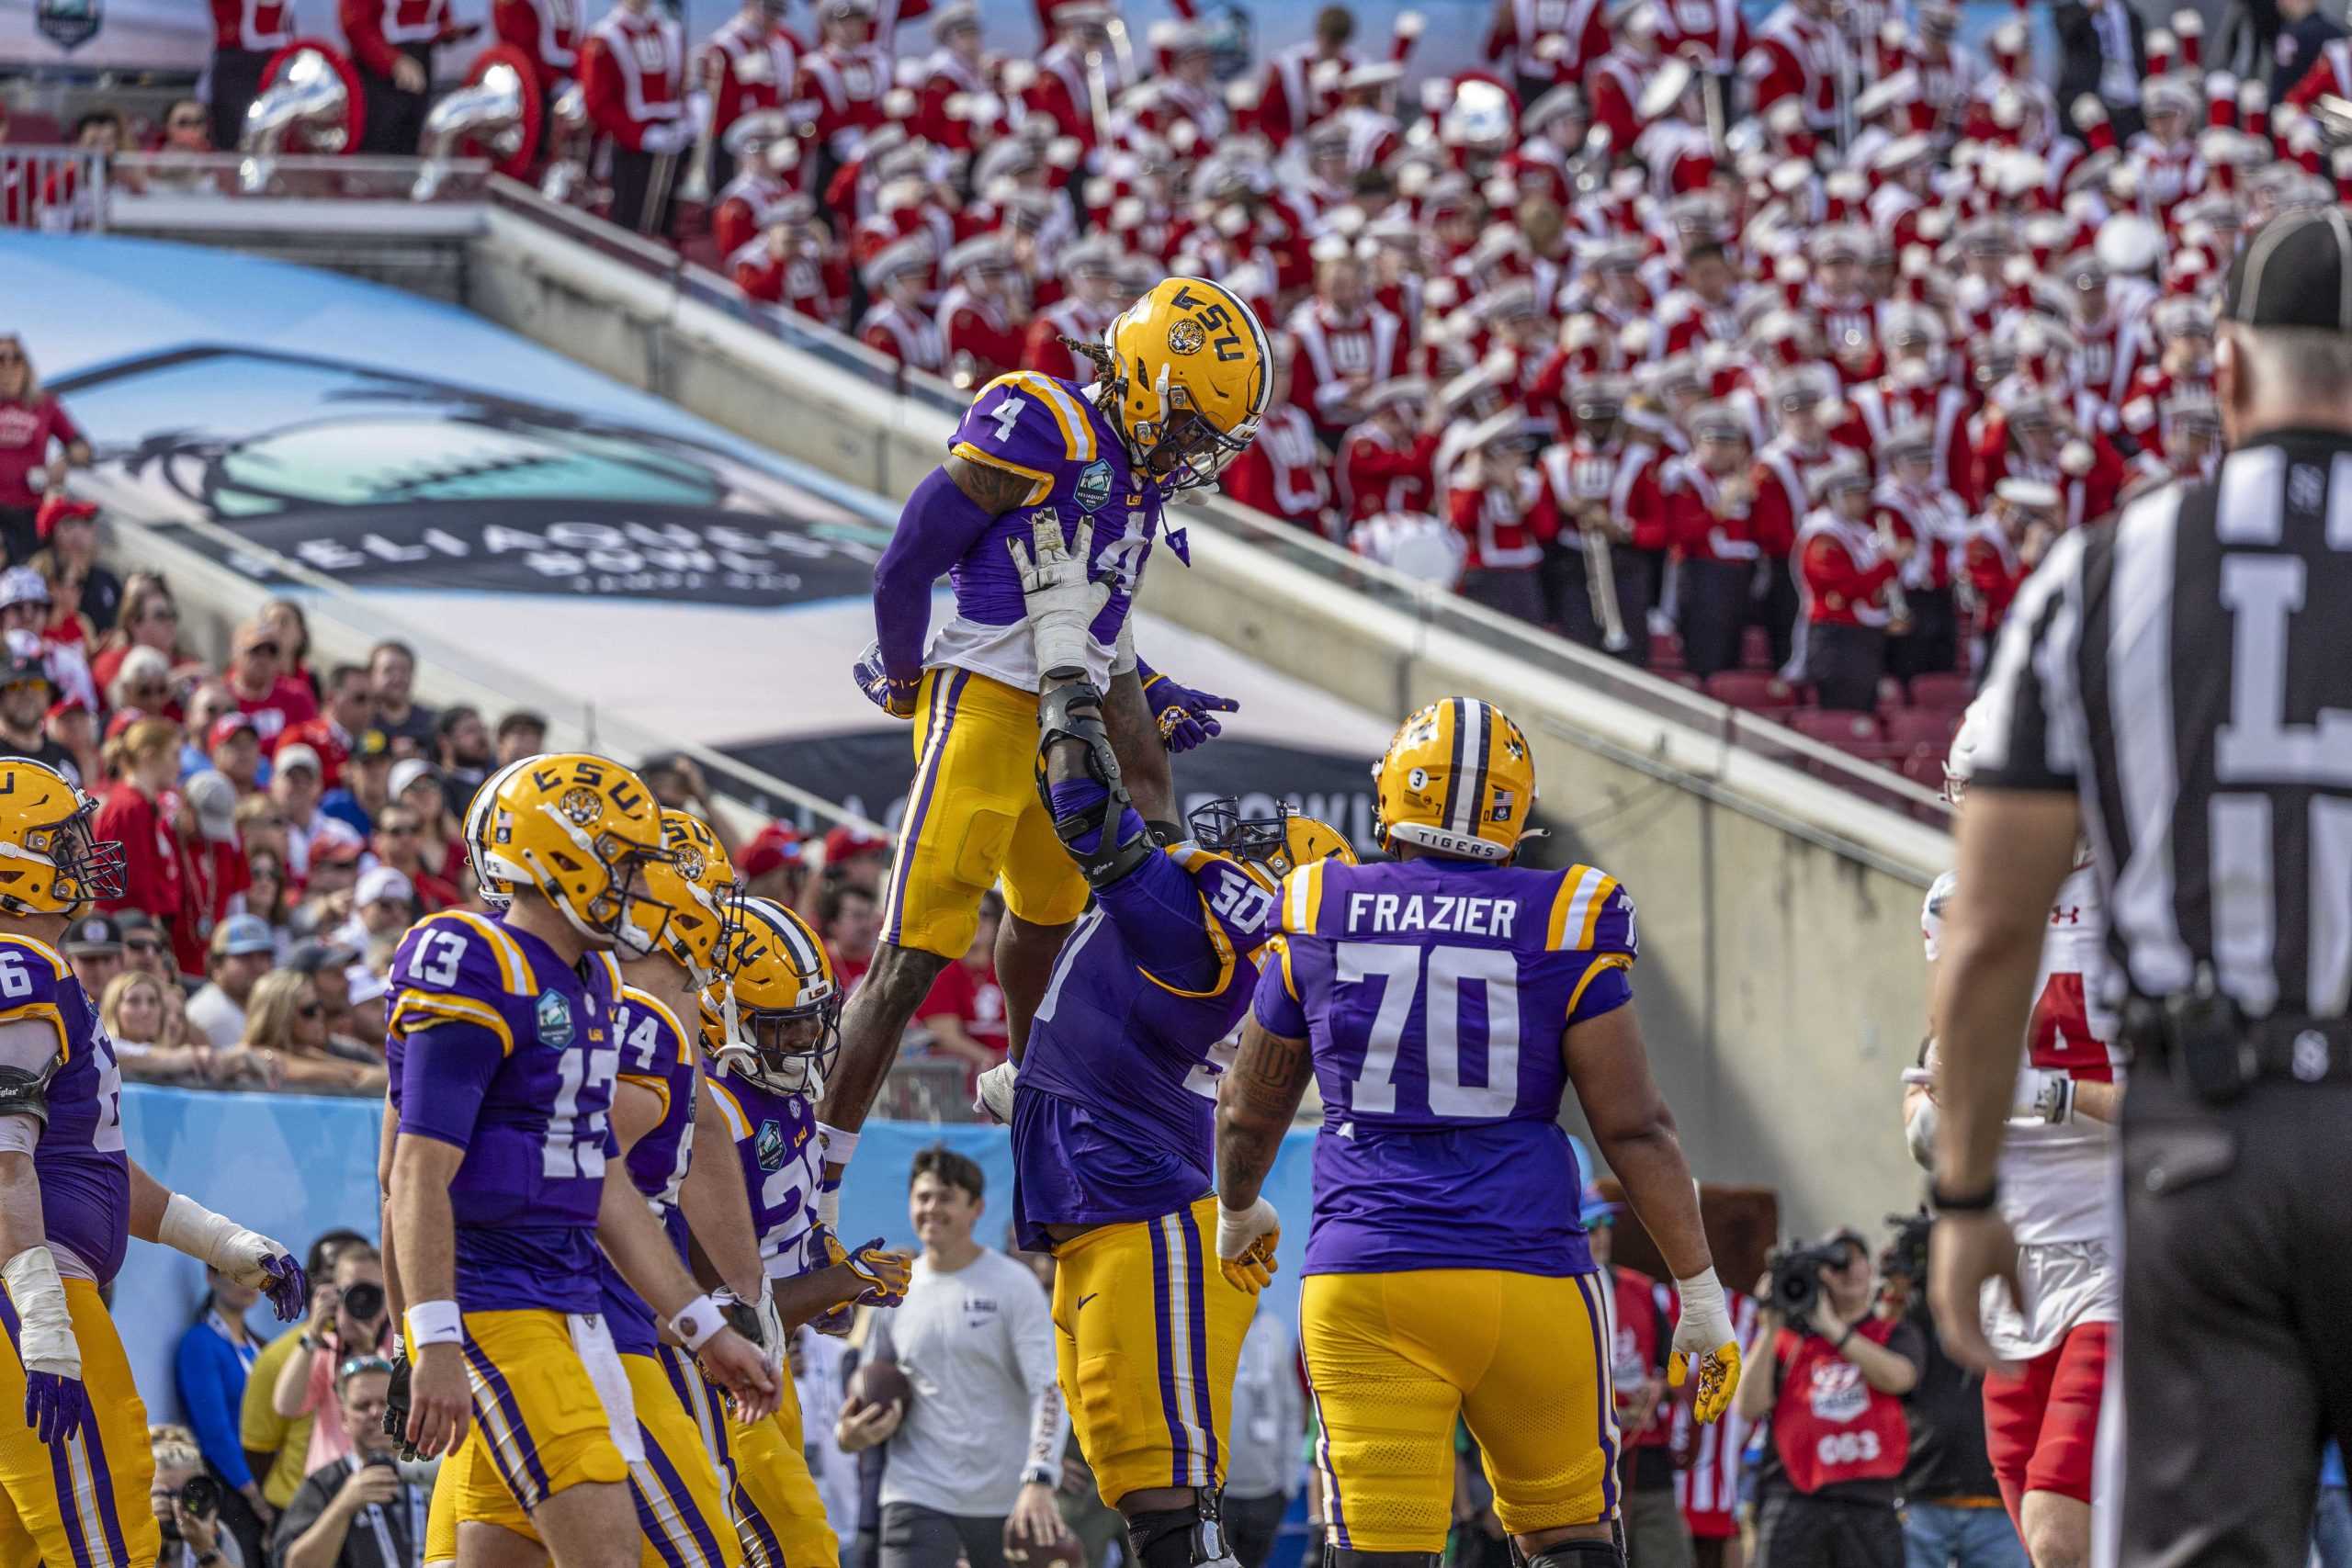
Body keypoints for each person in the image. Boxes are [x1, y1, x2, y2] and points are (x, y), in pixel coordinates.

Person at [1928, 210, 2352, 1568]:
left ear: (2224, 371)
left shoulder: (2105, 569)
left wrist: (1966, 1192)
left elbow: (1992, 926)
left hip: (2204, 1143)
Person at [1214, 697, 1744, 1568]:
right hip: (1527, 1271)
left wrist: (1238, 1207)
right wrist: (1699, 1289)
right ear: (1515, 813)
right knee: (1571, 1540)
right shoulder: (1568, 912)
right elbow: (1634, 1127)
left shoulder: (1318, 898)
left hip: (1369, 1272)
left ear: (1392, 795)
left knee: (1379, 1550)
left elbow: (1248, 1107)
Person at [819, 278, 1268, 1218]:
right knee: (910, 956)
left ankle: (1024, 1092)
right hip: (982, 704)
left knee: (1051, 926)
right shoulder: (1042, 421)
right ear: (1143, 381)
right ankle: (815, 1177)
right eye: (1188, 425)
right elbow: (906, 559)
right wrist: (905, 679)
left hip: (1072, 723)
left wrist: (1148, 689)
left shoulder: (1140, 476)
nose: (1193, 452)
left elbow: (1096, 610)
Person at [978, 534, 1353, 1568]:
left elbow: (1089, 805)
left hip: (1144, 1205)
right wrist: (1120, 644)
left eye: (1274, 852)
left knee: (1173, 1506)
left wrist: (1065, 659)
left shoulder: (1195, 931)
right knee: (1136, 1482)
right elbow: (1147, 792)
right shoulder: (1228, 945)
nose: (1253, 845)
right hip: (1115, 1187)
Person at [379, 752, 775, 1568]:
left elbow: (601, 1181)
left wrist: (703, 1327)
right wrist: (431, 1340)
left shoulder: (594, 979)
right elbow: (413, 1173)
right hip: (497, 1305)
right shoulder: (473, 959)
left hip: (570, 1306)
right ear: (561, 855)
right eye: (627, 863)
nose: (641, 886)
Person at [0, 757, 308, 1568]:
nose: (84, 854)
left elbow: (95, 1168)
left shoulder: (43, 976)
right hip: (29, 1294)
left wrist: (225, 1243)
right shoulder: (20, 968)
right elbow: (3, 1164)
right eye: (60, 841)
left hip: (30, 1287)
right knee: (111, 1524)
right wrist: (44, 1324)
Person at [1905, 709, 2118, 1568]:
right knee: (2044, 1539)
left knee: (2059, 1531)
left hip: (2117, 1243)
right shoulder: (1950, 900)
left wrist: (2060, 1094)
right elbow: (1935, 1059)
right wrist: (1924, 1122)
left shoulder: (2139, 898)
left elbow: (2187, 1106)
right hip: (2012, 1249)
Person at [694, 895, 913, 1568]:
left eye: (814, 1021)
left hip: (766, 1373)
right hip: (716, 1382)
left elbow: (779, 1250)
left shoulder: (778, 1092)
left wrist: (833, 1281)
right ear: (719, 1013)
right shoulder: (710, 1111)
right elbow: (716, 1312)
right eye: (784, 1028)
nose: (805, 1042)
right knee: (801, 1549)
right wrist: (842, 1281)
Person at [837, 1146, 1064, 1568]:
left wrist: (1040, 1475)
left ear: (976, 1207)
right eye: (922, 1197)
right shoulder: (896, 1290)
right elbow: (869, 1383)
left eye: (945, 1198)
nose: (931, 1209)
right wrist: (848, 1435)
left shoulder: (1013, 1285)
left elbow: (1048, 1388)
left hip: (1003, 1498)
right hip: (914, 1493)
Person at [1733, 1231, 1924, 1568]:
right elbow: (1748, 1405)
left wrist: (1832, 1328)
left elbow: (1899, 1378)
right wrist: (1771, 1326)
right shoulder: (1789, 1340)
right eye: (1834, 1265)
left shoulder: (1893, 1334)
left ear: (1870, 1269)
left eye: (1853, 1260)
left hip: (1870, 1503)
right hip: (1794, 1499)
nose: (1846, 1271)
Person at [1876, 1221, 2023, 1568]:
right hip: (1921, 1495)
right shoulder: (1917, 1308)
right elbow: (1880, 1344)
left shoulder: (2010, 1299)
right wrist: (1898, 1284)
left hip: (1999, 1501)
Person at [1589, 1197, 1689, 1568]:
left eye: (1605, 1226)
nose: (1600, 1236)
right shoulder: (1556, 1295)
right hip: (1587, 1463)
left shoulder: (1641, 1290)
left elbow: (1674, 1369)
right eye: (1589, 1227)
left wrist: (1660, 1387)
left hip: (1645, 1463)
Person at [272, 1357, 426, 1568]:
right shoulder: (326, 1483)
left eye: (385, 1403)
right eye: (363, 1406)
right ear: (344, 1418)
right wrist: (343, 1507)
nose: (375, 1413)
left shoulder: (431, 1471)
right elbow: (294, 1564)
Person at [174, 1264, 274, 1565]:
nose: (247, 1283)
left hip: (269, 1486)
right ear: (210, 1276)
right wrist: (257, 1498)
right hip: (236, 1491)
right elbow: (215, 1434)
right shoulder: (200, 1343)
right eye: (235, 1272)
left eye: (254, 1274)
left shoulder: (259, 1345)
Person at [273, 1245, 398, 1477]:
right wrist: (312, 1334)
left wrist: (368, 1350)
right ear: (337, 1294)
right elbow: (286, 1406)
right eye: (353, 1291)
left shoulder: (400, 1343)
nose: (363, 1300)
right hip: (332, 1484)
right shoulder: (325, 1348)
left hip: (392, 1479)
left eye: (372, 1292)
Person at [1222, 1308, 1306, 1568]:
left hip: (1268, 1491)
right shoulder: (1212, 1323)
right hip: (1218, 1493)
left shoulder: (1275, 1328)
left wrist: (1288, 1483)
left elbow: (1292, 1407)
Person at [95, 716, 186, 944]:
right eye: (173, 755)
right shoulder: (129, 807)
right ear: (149, 756)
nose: (179, 766)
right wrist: (151, 929)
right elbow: (134, 881)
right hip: (130, 931)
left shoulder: (141, 803)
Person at [0, 335, 90, 567]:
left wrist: (63, 461)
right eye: (1, 359)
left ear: (26, 365)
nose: (8, 366)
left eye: (16, 358)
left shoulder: (44, 405)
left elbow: (83, 448)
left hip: (30, 511)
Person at [242, 970, 385, 1095]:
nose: (320, 1014)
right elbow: (350, 1078)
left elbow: (364, 1073)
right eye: (309, 1010)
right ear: (282, 1018)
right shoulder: (255, 1055)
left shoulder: (302, 1051)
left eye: (319, 1005)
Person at [911, 894, 1006, 1084]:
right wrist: (997, 1067)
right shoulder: (941, 971)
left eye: (984, 914)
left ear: (998, 923)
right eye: (967, 914)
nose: (976, 920)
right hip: (957, 1085)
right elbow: (946, 1035)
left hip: (1007, 1075)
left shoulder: (1009, 971)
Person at [151, 1425, 248, 1568]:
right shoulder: (120, 1537)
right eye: (166, 1494)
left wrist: (206, 1550)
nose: (177, 1504)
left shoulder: (217, 1535)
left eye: (187, 1494)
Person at [187, 914, 278, 1049]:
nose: (257, 966)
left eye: (264, 957)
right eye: (245, 957)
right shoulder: (211, 1012)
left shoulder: (261, 1005)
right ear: (216, 965)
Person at [0, 651, 76, 781]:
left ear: (49, 695)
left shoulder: (65, 760)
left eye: (36, 684)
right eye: (14, 686)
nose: (27, 693)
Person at [364, 643, 433, 757]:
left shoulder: (430, 723)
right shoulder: (359, 718)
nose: (397, 678)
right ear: (370, 674)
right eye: (388, 670)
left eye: (404, 671)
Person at [820, 883, 880, 998]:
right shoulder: (817, 965)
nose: (865, 924)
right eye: (857, 916)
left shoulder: (883, 964)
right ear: (833, 924)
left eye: (869, 915)